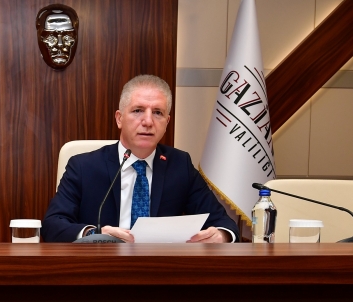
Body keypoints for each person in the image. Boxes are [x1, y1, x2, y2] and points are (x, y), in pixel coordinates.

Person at [42, 75, 239, 243]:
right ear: (119, 118)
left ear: (167, 122)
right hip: (101, 267)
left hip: (160, 270)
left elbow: (224, 223)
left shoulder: (180, 166)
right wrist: (94, 235)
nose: (148, 121)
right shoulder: (84, 167)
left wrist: (221, 236)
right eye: (138, 110)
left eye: (158, 113)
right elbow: (52, 225)